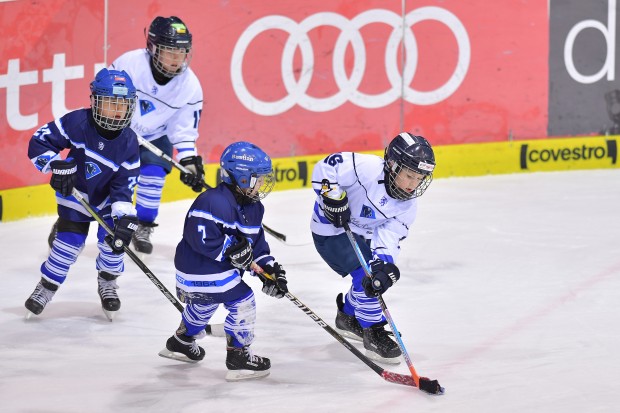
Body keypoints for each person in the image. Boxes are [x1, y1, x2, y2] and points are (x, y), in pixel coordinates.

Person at [158, 141, 288, 382]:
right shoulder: (213, 201)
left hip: (207, 274)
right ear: (240, 177)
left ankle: (181, 341)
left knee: (205, 302)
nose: (262, 183)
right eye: (257, 178)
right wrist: (230, 249)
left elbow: (255, 244)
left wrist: (269, 270)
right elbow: (200, 237)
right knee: (243, 301)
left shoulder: (254, 208)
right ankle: (239, 356)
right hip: (197, 268)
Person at [25, 68, 141, 320]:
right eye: (110, 103)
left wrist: (123, 215)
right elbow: (39, 142)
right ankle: (46, 286)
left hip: (108, 201)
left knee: (113, 245)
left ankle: (108, 282)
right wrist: (56, 166)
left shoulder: (130, 142)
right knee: (67, 246)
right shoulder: (77, 123)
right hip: (75, 194)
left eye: (123, 103)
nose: (117, 110)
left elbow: (124, 185)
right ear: (95, 102)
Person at [311, 132, 436, 364]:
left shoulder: (407, 206)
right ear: (392, 164)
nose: (413, 185)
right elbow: (326, 167)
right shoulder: (366, 168)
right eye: (409, 175)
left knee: (373, 277)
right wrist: (331, 198)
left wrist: (383, 263)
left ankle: (348, 317)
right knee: (365, 274)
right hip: (331, 232)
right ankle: (373, 332)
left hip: (362, 236)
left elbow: (389, 237)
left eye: (419, 179)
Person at [112, 15, 205, 254]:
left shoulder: (190, 85)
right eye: (170, 52)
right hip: (116, 132)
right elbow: (106, 95)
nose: (177, 59)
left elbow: (183, 129)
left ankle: (142, 225)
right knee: (96, 177)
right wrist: (115, 125)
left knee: (154, 175)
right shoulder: (130, 64)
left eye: (182, 52)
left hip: (155, 136)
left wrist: (189, 162)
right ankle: (70, 221)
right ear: (152, 47)